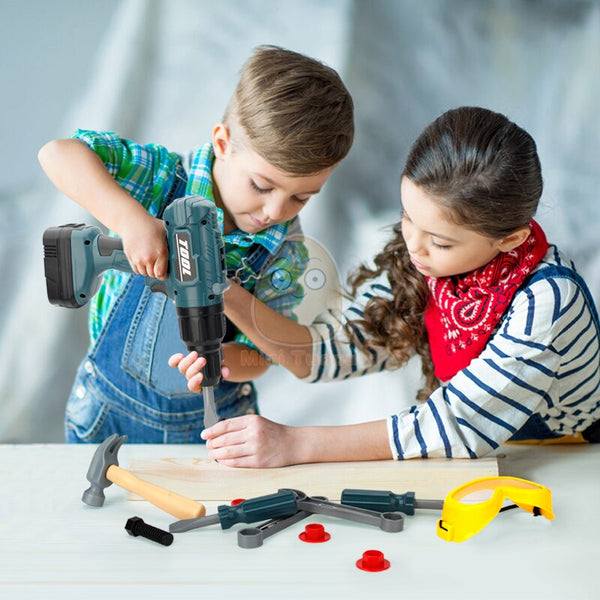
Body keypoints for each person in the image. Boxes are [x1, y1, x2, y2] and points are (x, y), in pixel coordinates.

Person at [172, 106, 600, 466]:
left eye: (441, 240)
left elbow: (456, 425)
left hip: (572, 459)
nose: (412, 244)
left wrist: (294, 444)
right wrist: (222, 291)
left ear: (509, 240)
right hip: (495, 454)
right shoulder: (427, 260)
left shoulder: (546, 300)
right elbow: (333, 349)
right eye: (408, 216)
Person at [38, 45, 354, 443]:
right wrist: (130, 219)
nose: (275, 210)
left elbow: (264, 357)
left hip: (210, 424)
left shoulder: (284, 252)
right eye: (261, 185)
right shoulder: (160, 179)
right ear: (223, 143)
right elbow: (58, 154)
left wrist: (219, 360)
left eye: (301, 197)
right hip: (106, 414)